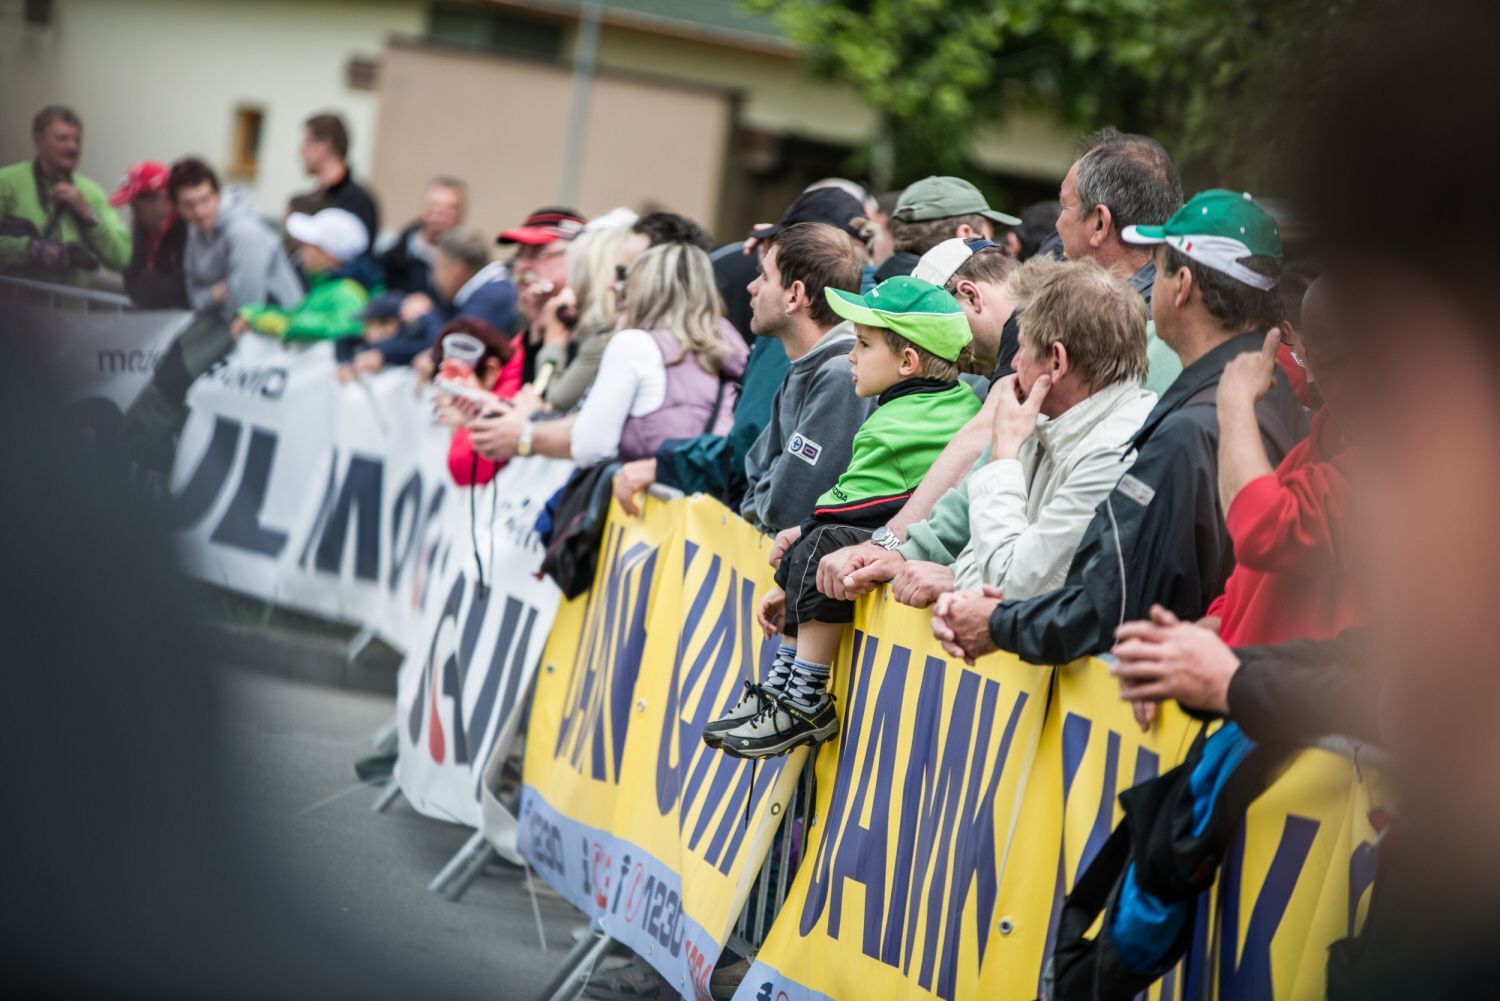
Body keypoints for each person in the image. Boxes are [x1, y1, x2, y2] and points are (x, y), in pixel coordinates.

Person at [930, 190, 1306, 667]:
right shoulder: (1261, 397)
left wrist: (999, 624)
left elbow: (1115, 598)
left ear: (1182, 284)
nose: (1150, 285)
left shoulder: (1195, 425)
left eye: (1160, 266)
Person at [705, 276, 981, 757]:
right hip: (920, 535)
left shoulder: (893, 424)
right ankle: (783, 687)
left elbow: (844, 505)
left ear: (907, 362)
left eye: (863, 343)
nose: (850, 355)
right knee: (814, 541)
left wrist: (794, 555)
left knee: (821, 541)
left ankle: (804, 695)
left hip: (912, 543)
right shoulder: (958, 399)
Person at [826, 257, 1156, 609]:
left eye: (1023, 348)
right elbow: (983, 561)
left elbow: (1009, 585)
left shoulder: (1115, 451)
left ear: (1057, 362)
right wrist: (955, 574)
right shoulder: (1044, 418)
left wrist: (1003, 457)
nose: (1013, 364)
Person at [1112, 277, 1358, 727]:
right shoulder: (1321, 443)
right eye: (1323, 361)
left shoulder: (1404, 470)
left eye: (1335, 362)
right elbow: (1249, 581)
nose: (1321, 379)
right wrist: (1192, 642)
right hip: (1243, 716)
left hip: (1300, 744)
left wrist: (1236, 403)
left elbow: (1268, 530)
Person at [614, 221, 869, 518]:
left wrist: (760, 505)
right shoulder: (805, 365)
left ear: (794, 296)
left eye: (763, 276)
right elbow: (755, 475)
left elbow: (784, 506)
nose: (752, 287)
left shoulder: (839, 373)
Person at [467, 241, 746, 466]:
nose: (615, 286)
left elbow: (590, 444)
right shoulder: (727, 346)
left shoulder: (635, 344)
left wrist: (523, 437)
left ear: (644, 289)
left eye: (626, 277)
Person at [120, 157, 304, 476]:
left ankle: (137, 457)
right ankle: (138, 455)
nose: (200, 211)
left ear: (217, 195)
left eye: (206, 200)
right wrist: (216, 293)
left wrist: (218, 296)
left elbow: (246, 306)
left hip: (262, 329)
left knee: (174, 379)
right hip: (223, 321)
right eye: (190, 205)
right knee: (169, 374)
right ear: (177, 207)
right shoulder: (195, 231)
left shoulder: (244, 233)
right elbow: (194, 294)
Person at [1054, 128, 1185, 394]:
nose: (1057, 225)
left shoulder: (1118, 332)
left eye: (1065, 207)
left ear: (1100, 223)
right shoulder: (1191, 316)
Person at [351, 226, 515, 375]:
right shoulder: (479, 294)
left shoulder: (490, 297)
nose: (433, 279)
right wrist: (384, 352)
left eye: (436, 268)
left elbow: (450, 350)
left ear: (455, 270)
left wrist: (426, 316)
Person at [0, 105, 130, 286]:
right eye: (63, 139)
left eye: (77, 140)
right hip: (16, 309)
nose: (73, 147)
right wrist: (29, 249)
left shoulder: (91, 192)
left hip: (71, 311)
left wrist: (88, 214)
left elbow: (122, 258)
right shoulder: (6, 182)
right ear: (38, 140)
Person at [526, 208, 638, 412]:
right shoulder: (588, 320)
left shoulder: (603, 330)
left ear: (593, 270)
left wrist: (554, 340)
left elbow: (552, 400)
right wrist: (536, 326)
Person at [233, 207, 375, 342]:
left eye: (307, 246)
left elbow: (347, 328)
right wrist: (254, 315)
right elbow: (296, 315)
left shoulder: (349, 293)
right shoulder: (324, 287)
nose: (300, 252)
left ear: (328, 255)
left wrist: (290, 325)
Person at [434, 318, 526, 487]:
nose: (452, 388)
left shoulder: (512, 391)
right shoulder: (515, 368)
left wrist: (470, 415)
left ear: (491, 370)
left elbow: (462, 469)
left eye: (456, 376)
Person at [876, 175, 1020, 282]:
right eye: (989, 237)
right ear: (965, 236)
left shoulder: (866, 284)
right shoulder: (948, 310)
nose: (992, 247)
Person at [375, 175, 465, 310]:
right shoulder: (395, 255)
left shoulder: (465, 264)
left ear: (460, 215)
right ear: (423, 207)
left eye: (449, 209)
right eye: (434, 206)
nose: (439, 214)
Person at [109, 160, 188, 310]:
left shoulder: (189, 228)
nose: (133, 212)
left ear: (163, 197)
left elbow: (187, 288)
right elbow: (131, 276)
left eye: (135, 204)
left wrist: (149, 285)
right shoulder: (142, 226)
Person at [293, 112, 379, 243]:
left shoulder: (357, 203)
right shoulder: (315, 197)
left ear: (324, 146)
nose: (301, 151)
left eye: (307, 142)